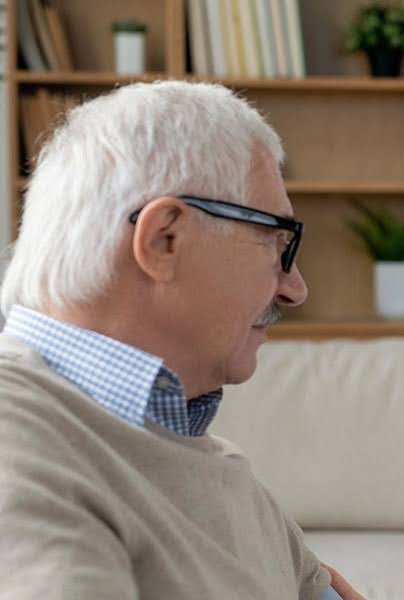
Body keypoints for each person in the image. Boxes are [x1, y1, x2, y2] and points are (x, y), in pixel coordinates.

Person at [0, 81, 363, 599]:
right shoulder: (17, 447)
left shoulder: (216, 466)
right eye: (276, 239)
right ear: (164, 239)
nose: (295, 288)